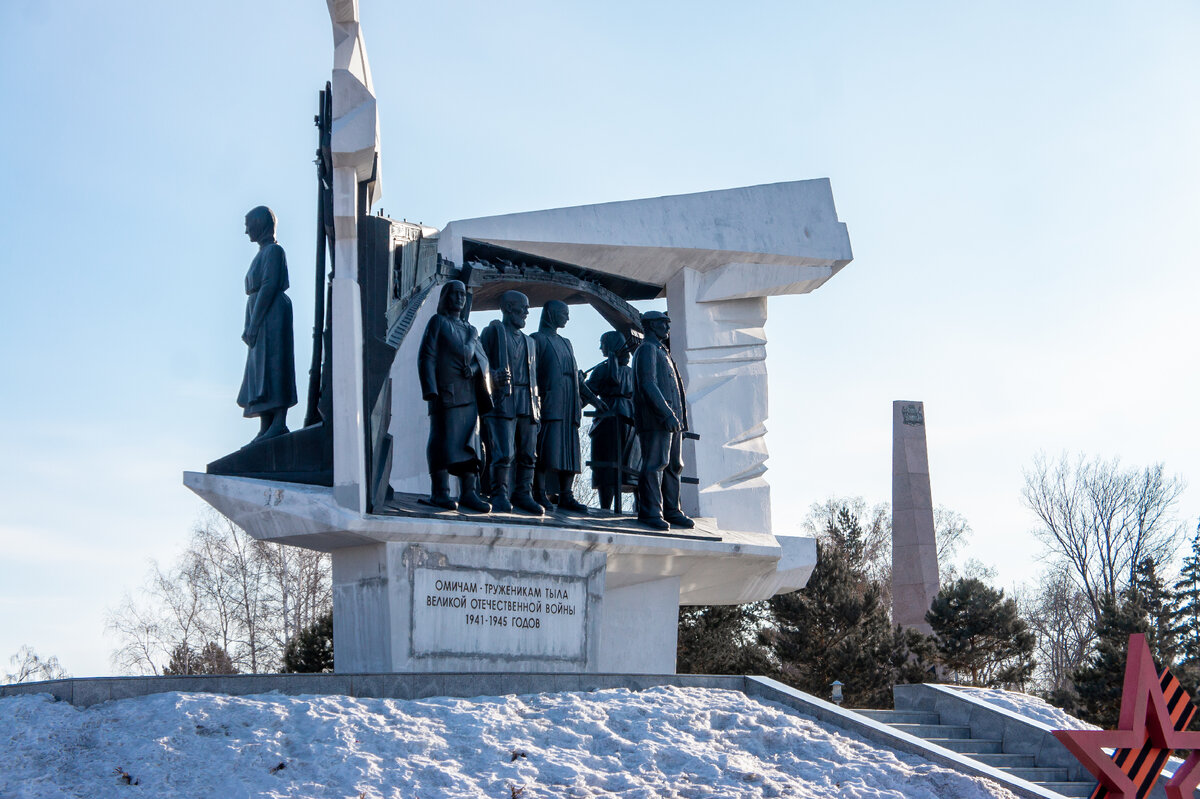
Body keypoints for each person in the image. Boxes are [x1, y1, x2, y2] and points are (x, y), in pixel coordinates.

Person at [417, 280, 491, 513]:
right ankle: (440, 492)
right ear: (446, 297)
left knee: (469, 444)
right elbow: (426, 356)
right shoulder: (438, 322)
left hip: (469, 395)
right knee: (443, 441)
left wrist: (476, 370)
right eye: (455, 294)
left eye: (463, 294)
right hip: (445, 393)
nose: (459, 298)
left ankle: (469, 492)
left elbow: (483, 361)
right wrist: (430, 389)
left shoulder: (470, 330)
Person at [531, 300, 607, 514]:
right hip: (550, 402)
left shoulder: (567, 342)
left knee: (570, 451)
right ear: (551, 314)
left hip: (569, 404)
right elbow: (530, 374)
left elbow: (577, 379)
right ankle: (540, 491)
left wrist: (594, 400)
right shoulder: (537, 339)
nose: (567, 318)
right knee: (548, 448)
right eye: (564, 313)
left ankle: (567, 494)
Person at [237, 206, 297, 444]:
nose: (245, 230)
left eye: (248, 224)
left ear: (260, 224)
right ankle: (266, 426)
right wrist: (250, 323)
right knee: (259, 370)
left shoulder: (274, 251)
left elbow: (270, 285)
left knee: (274, 365)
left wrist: (254, 323)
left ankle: (279, 422)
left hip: (271, 313)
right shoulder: (262, 253)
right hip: (261, 312)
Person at [479, 290, 543, 515]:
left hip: (527, 400)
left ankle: (523, 494)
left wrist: (537, 407)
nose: (527, 311)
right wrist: (491, 376)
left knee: (528, 454)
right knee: (504, 453)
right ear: (508, 308)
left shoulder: (530, 342)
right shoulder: (492, 332)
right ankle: (499, 494)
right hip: (503, 399)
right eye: (522, 306)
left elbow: (535, 376)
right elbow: (478, 363)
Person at [632, 310, 693, 530]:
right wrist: (666, 413)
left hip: (672, 420)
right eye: (663, 323)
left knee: (674, 466)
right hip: (656, 419)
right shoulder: (646, 350)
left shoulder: (662, 350)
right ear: (650, 325)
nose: (667, 328)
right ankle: (651, 512)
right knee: (655, 464)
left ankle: (672, 510)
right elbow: (648, 384)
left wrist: (678, 418)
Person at [585, 330, 639, 512]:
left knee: (605, 464)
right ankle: (640, 505)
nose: (600, 347)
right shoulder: (633, 373)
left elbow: (585, 396)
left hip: (608, 421)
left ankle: (605, 508)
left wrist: (578, 383)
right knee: (629, 465)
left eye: (603, 343)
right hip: (630, 420)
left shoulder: (602, 370)